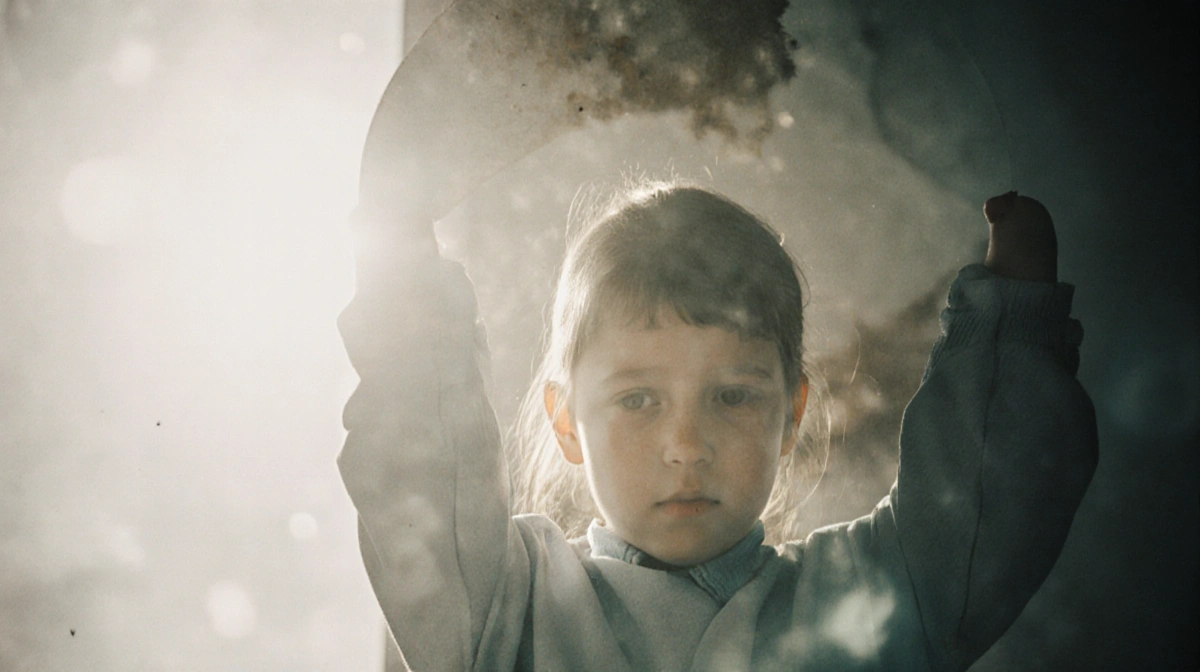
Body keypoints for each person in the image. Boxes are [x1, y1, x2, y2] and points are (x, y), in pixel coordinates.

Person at [337, 184, 1097, 671]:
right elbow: (421, 476)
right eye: (638, 400)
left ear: (790, 415)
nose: (687, 447)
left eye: (733, 397)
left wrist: (1014, 333)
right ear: (567, 422)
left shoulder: (870, 595)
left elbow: (990, 503)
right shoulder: (509, 605)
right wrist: (409, 303)